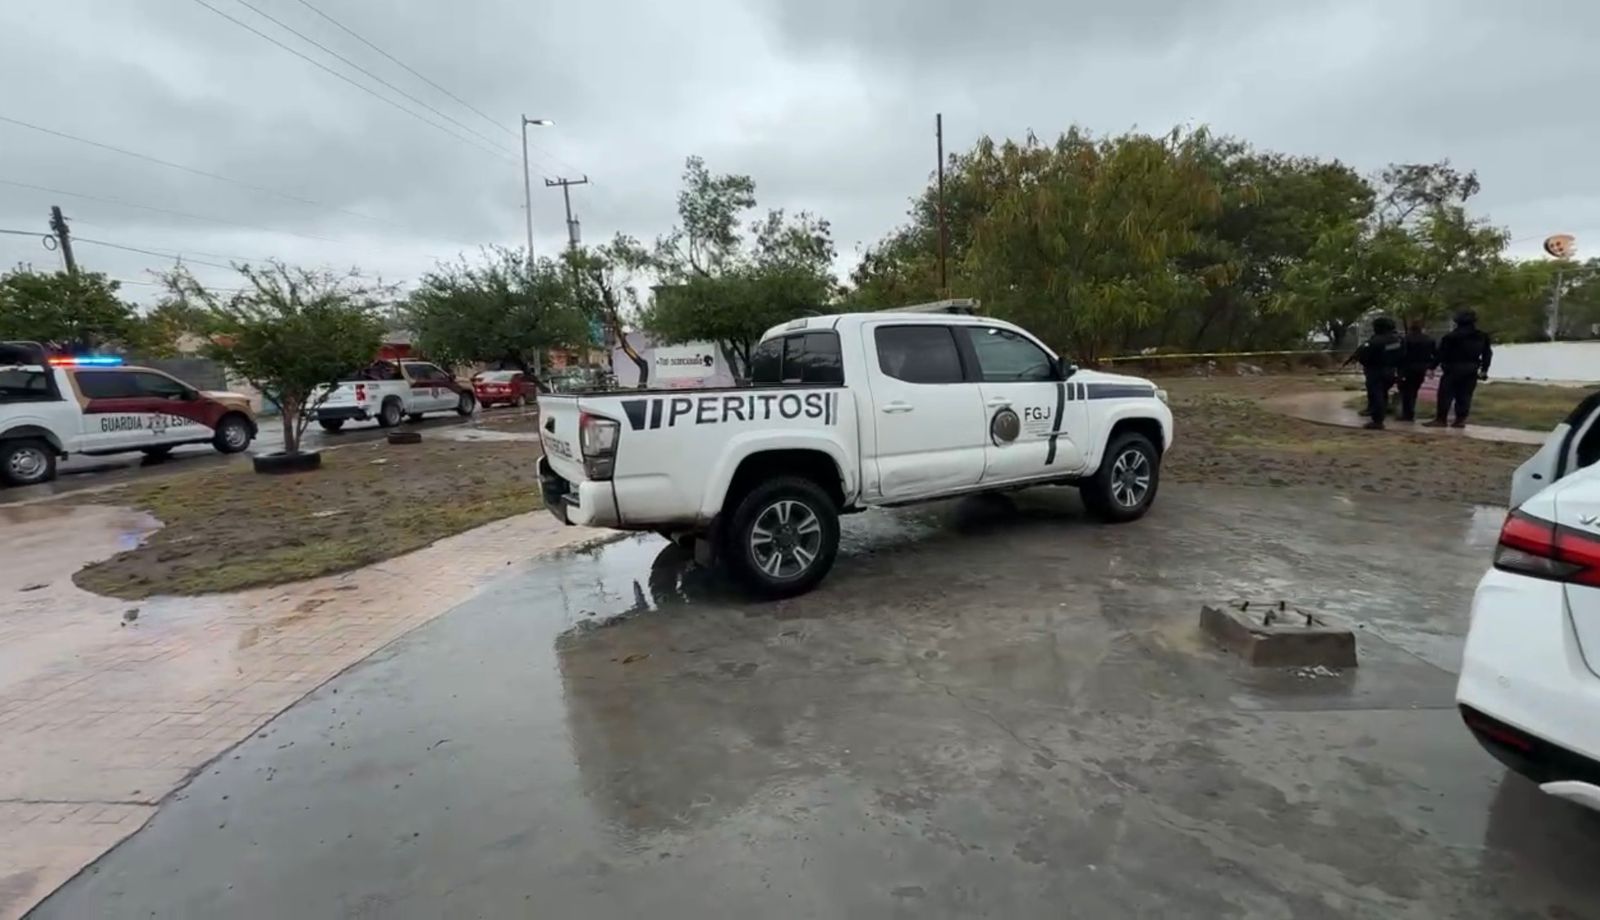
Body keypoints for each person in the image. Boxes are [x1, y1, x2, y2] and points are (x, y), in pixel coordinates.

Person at [1426, 309, 1492, 428]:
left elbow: (1442, 354)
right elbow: (1487, 354)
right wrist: (1484, 369)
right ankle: (1460, 420)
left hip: (1452, 368)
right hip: (1471, 369)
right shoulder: (1482, 336)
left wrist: (1432, 367)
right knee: (1465, 395)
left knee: (1445, 394)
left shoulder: (1450, 337)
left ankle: (1441, 419)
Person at [1349, 316, 1404, 429]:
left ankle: (1377, 421)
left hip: (1376, 371)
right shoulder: (1398, 340)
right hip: (1391, 370)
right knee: (1383, 394)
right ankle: (1380, 416)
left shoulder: (1374, 341)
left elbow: (1365, 357)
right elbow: (1401, 354)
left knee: (1376, 395)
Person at [1397, 319, 1436, 422]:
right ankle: (1410, 412)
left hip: (1407, 368)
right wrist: (1431, 366)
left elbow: (1401, 355)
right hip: (1421, 368)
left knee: (1406, 392)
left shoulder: (1405, 339)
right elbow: (1435, 354)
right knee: (1414, 390)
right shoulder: (1429, 340)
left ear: (1410, 329)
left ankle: (1407, 414)